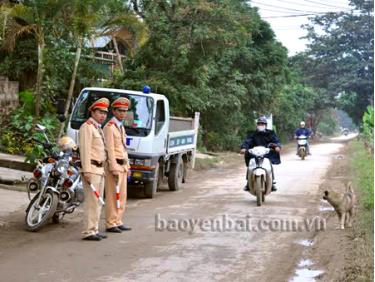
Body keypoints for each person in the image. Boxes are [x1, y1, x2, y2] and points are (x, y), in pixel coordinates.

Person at [79, 98, 109, 241]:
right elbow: (84, 150)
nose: (103, 115)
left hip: (100, 169)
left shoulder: (97, 128)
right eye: (100, 112)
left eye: (105, 113)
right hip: (91, 169)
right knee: (92, 202)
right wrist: (86, 170)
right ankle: (88, 231)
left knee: (97, 201)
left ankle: (94, 229)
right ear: (92, 112)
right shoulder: (87, 127)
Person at [103, 97, 132, 233]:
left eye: (125, 111)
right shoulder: (109, 128)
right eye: (120, 110)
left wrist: (128, 166)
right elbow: (109, 149)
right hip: (114, 166)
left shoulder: (120, 126)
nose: (123, 113)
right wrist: (113, 166)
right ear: (113, 111)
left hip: (123, 166)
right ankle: (111, 222)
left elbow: (123, 148)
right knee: (113, 195)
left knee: (122, 195)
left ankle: (118, 220)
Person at [240, 116, 282, 192]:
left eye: (262, 124)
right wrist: (244, 148)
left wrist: (277, 146)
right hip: (254, 154)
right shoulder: (253, 134)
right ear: (257, 125)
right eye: (259, 124)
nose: (261, 125)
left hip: (266, 154)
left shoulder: (270, 133)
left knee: (269, 165)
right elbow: (247, 141)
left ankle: (272, 182)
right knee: (250, 165)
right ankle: (248, 183)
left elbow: (276, 140)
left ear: (265, 125)